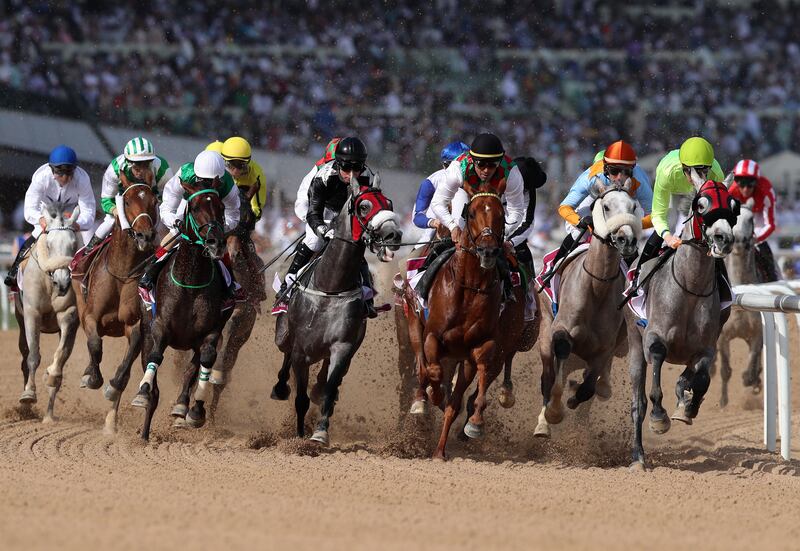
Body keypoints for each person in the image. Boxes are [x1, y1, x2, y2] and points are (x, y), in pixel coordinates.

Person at [272, 137, 376, 317]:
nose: (351, 175)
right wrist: (321, 228)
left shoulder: (368, 177)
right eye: (346, 168)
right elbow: (310, 210)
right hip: (319, 210)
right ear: (336, 162)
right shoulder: (322, 175)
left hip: (347, 212)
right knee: (313, 241)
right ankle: (286, 289)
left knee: (356, 246)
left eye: (357, 168)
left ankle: (367, 296)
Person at [137, 150, 241, 299]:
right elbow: (166, 208)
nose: (205, 184)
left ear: (219, 178)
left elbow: (234, 216)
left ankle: (231, 283)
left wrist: (216, 229)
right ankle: (150, 274)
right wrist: (176, 223)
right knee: (174, 235)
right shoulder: (185, 174)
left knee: (219, 242)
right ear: (196, 174)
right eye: (202, 180)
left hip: (213, 212)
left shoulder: (228, 185)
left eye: (210, 181)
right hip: (189, 203)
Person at [631, 136, 725, 282]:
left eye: (703, 171)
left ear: (710, 168)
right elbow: (658, 215)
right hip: (672, 185)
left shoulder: (716, 174)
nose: (698, 178)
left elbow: (720, 213)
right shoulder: (667, 172)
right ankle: (637, 278)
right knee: (670, 221)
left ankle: (724, 284)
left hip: (700, 190)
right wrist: (668, 237)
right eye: (693, 172)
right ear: (684, 168)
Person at [548, 140, 653, 268]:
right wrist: (580, 221)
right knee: (578, 232)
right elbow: (564, 207)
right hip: (596, 197)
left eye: (626, 171)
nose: (619, 177)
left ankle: (635, 275)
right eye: (614, 171)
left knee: (629, 232)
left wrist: (633, 223)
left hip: (626, 200)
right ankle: (554, 268)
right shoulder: (591, 177)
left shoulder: (639, 180)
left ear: (633, 169)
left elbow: (656, 216)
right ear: (605, 168)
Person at [4, 145, 96, 290]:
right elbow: (29, 209)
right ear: (52, 170)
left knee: (90, 240)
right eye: (60, 173)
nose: (65, 178)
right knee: (35, 235)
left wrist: (78, 224)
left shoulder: (82, 178)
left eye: (68, 173)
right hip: (46, 212)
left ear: (75, 170)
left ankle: (93, 278)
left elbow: (89, 210)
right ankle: (15, 270)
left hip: (71, 214)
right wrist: (41, 219)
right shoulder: (41, 177)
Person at [83, 137, 173, 252]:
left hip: (150, 202)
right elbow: (106, 200)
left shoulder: (162, 168)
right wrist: (115, 211)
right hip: (123, 201)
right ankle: (88, 252)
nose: (141, 171)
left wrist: (153, 201)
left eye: (146, 165)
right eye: (137, 166)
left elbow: (170, 196)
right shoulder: (115, 169)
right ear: (128, 162)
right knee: (109, 221)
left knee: (164, 223)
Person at [220, 136, 269, 301]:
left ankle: (256, 285)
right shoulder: (216, 171)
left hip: (242, 211)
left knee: (247, 245)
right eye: (231, 166)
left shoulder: (256, 174)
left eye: (240, 166)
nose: (235, 171)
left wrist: (250, 216)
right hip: (220, 210)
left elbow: (257, 206)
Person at [728, 159, 779, 281]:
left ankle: (772, 277)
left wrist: (756, 239)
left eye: (750, 184)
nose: (745, 189)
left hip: (758, 215)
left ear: (757, 182)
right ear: (736, 183)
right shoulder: (729, 191)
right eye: (742, 184)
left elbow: (771, 224)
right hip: (738, 216)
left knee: (763, 248)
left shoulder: (766, 191)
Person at [412, 141, 470, 245]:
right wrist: (433, 222)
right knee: (410, 261)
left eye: (462, 166)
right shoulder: (431, 182)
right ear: (444, 165)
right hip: (433, 237)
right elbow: (417, 217)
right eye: (451, 166)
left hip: (472, 234)